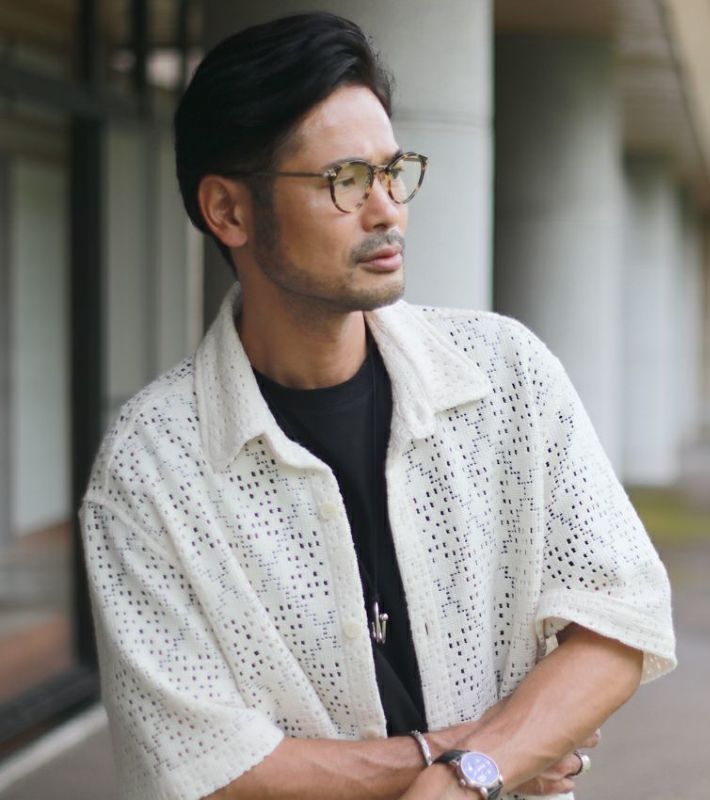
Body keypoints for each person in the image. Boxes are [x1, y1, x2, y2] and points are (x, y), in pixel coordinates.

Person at [81, 12, 676, 800]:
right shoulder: (151, 465)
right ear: (228, 211)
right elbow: (201, 759)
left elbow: (621, 611)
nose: (387, 207)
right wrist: (476, 757)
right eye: (346, 179)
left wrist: (474, 772)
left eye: (394, 171)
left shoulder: (504, 374)